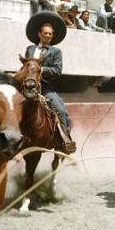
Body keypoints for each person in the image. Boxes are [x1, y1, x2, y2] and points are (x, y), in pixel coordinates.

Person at [22, 11, 76, 154]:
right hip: (27, 87)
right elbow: (25, 67)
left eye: (50, 34)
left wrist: (40, 69)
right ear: (39, 34)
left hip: (45, 89)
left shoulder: (56, 52)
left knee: (61, 110)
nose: (47, 36)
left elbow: (57, 70)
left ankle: (65, 141)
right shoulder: (30, 49)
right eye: (45, 33)